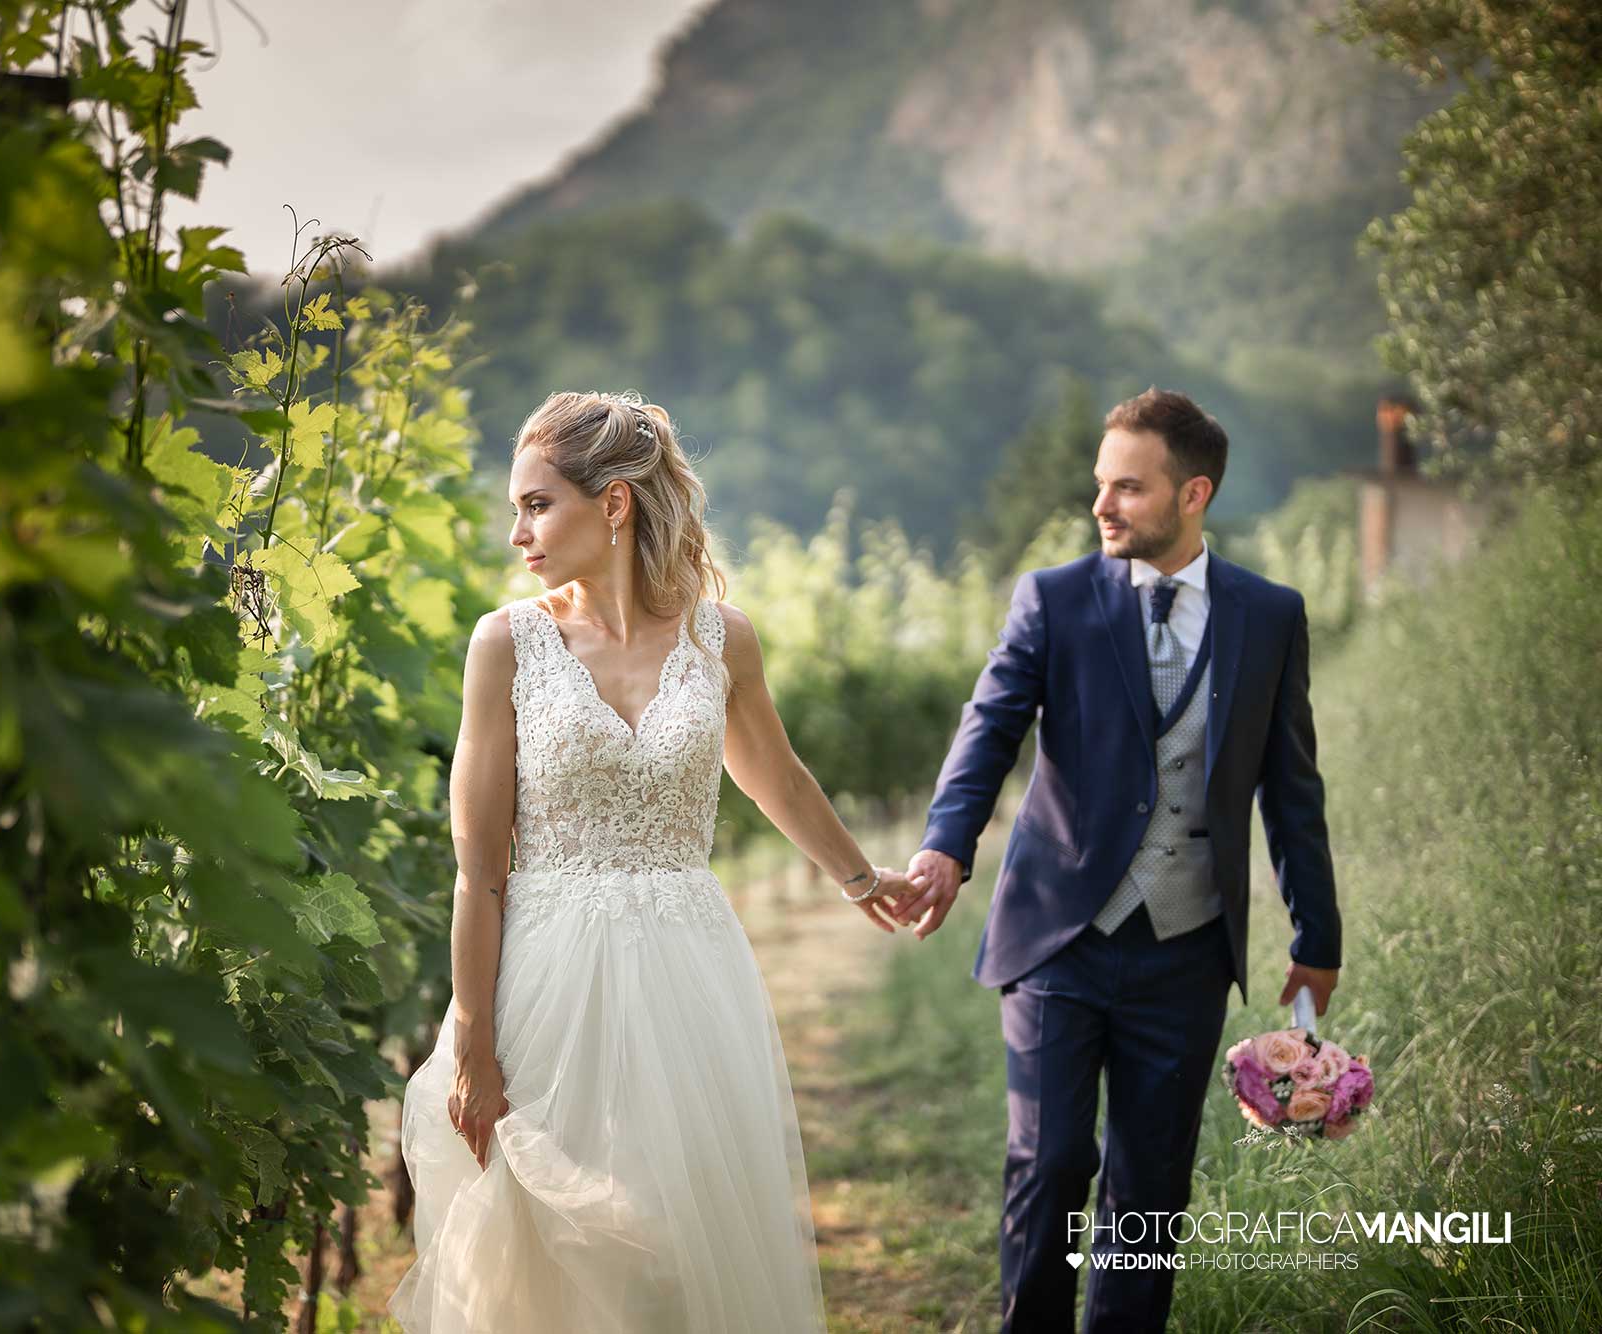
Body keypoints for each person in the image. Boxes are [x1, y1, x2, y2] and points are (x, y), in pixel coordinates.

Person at [388, 390, 909, 1334]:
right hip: (547, 975)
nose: (519, 534)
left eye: (538, 505)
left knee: (680, 1245)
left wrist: (863, 880)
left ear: (616, 504)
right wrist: (471, 1036)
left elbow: (778, 779)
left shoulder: (723, 638)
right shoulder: (506, 644)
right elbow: (481, 867)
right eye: (518, 509)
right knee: (556, 1250)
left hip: (688, 971)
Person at [887, 388, 1344, 1332]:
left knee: (1149, 1193)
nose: (1102, 506)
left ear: (1194, 494)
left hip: (1188, 950)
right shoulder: (1053, 600)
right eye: (1101, 486)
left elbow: (1291, 788)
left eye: (1128, 489)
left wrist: (1317, 936)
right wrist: (945, 846)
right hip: (1061, 938)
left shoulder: (1269, 616)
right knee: (1050, 1164)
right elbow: (989, 731)